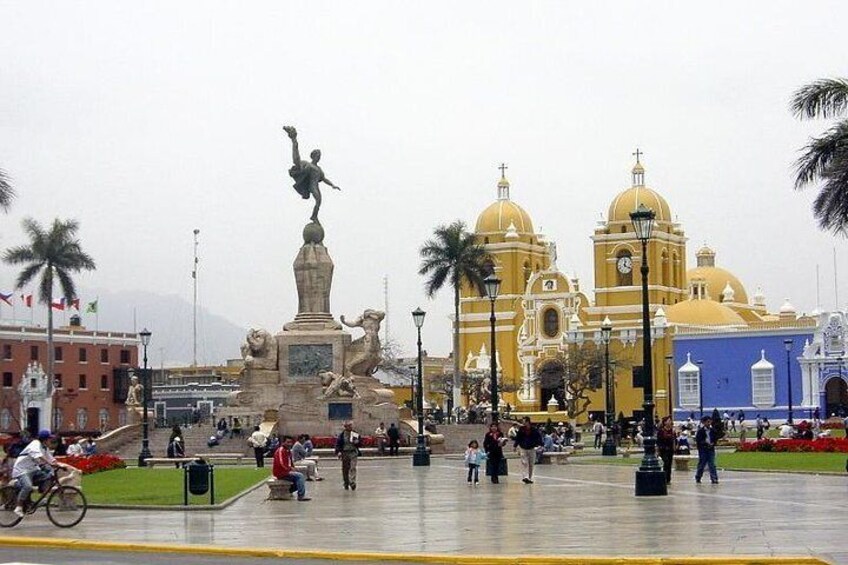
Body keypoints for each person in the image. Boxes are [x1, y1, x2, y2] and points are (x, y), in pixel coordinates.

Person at [283, 125, 341, 223]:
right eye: (318, 155)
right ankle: (294, 139)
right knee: (297, 160)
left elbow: (324, 179)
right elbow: (297, 161)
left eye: (320, 156)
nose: (319, 157)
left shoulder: (319, 169)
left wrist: (333, 185)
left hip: (315, 186)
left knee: (318, 201)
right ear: (313, 156)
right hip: (310, 186)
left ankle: (314, 216)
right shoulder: (307, 164)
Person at [10, 430, 57, 518]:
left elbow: (51, 459)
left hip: (33, 470)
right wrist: (49, 463)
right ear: (45, 440)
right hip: (22, 470)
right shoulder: (35, 444)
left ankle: (40, 499)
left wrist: (61, 465)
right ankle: (18, 507)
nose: (51, 441)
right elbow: (39, 457)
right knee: (27, 486)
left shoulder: (44, 448)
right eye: (49, 439)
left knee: (47, 477)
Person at [272, 436, 310, 502]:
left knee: (300, 477)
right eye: (288, 442)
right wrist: (289, 469)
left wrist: (293, 468)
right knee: (300, 476)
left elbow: (290, 462)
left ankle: (288, 491)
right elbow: (281, 463)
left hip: (286, 471)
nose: (289, 444)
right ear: (283, 442)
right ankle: (301, 496)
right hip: (281, 472)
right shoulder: (281, 450)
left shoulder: (288, 451)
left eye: (290, 442)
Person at [513, 417, 543, 484]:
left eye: (524, 421)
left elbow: (538, 437)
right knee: (524, 462)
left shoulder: (534, 429)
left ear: (528, 422)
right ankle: (525, 476)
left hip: (531, 448)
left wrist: (540, 444)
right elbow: (518, 438)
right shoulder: (521, 429)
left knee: (531, 463)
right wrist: (515, 446)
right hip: (523, 447)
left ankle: (530, 477)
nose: (523, 423)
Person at [334, 421, 361, 490]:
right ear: (345, 427)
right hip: (345, 453)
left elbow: (360, 442)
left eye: (351, 425)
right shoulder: (342, 435)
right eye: (349, 426)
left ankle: (352, 482)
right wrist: (339, 452)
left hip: (353, 452)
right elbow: (338, 444)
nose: (350, 427)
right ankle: (346, 482)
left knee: (353, 467)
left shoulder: (355, 434)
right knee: (345, 469)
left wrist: (357, 442)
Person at [694, 416, 719, 484]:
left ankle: (714, 478)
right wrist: (705, 444)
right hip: (703, 450)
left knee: (712, 464)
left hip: (711, 449)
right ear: (704, 422)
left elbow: (715, 439)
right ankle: (698, 476)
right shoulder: (700, 431)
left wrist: (713, 443)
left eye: (710, 421)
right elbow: (698, 440)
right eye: (707, 422)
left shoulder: (713, 430)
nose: (709, 423)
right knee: (702, 464)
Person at [656, 416, 676, 485]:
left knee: (669, 464)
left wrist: (674, 447)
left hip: (670, 450)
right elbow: (658, 441)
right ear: (665, 422)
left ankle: (668, 479)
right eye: (668, 420)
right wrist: (658, 450)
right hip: (663, 450)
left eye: (670, 420)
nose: (670, 422)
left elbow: (674, 440)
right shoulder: (661, 431)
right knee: (666, 462)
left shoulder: (672, 431)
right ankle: (664, 478)